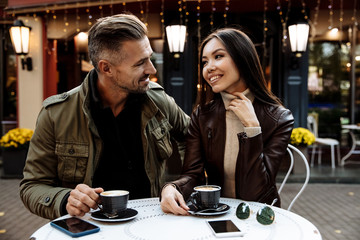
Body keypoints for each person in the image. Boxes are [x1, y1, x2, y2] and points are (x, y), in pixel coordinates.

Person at [20, 14, 190, 220]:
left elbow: (194, 140)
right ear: (106, 68)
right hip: (88, 229)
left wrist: (177, 186)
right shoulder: (55, 114)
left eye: (150, 58)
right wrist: (65, 199)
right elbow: (32, 186)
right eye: (140, 63)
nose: (151, 69)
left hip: (149, 225)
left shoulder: (158, 100)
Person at [160, 28, 294, 215]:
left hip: (260, 216)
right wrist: (172, 187)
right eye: (205, 62)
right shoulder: (203, 115)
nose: (209, 67)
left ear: (242, 58)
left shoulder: (279, 118)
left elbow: (254, 192)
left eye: (218, 56)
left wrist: (253, 129)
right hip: (216, 211)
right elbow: (193, 175)